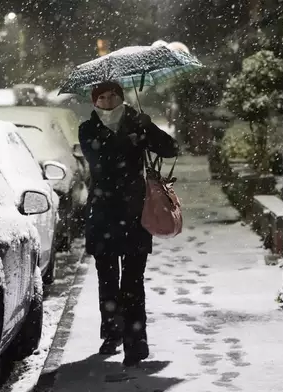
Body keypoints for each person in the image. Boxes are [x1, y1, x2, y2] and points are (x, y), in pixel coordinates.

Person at [78, 81, 179, 366]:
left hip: (137, 213)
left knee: (133, 282)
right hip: (103, 214)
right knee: (107, 280)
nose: (108, 103)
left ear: (121, 98)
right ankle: (112, 332)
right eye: (102, 98)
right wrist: (133, 134)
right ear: (95, 102)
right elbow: (103, 162)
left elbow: (171, 149)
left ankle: (136, 342)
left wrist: (147, 126)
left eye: (113, 97)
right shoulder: (87, 129)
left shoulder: (138, 124)